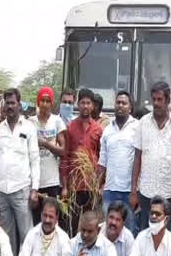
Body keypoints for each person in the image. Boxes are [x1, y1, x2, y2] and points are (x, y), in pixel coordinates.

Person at [0, 88, 39, 255]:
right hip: (2, 191)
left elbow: (34, 160)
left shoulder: (29, 127)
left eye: (13, 103)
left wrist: (34, 190)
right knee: (6, 236)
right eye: (7, 103)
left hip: (22, 190)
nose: (9, 106)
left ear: (19, 105)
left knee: (27, 235)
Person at [130, 82, 171, 233]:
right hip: (146, 193)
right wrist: (134, 191)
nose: (156, 103)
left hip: (169, 194)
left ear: (168, 100)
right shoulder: (143, 124)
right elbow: (137, 158)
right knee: (145, 234)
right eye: (154, 99)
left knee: (168, 237)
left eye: (160, 99)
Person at [61, 88, 103, 234]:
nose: (85, 106)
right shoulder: (70, 127)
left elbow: (102, 159)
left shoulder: (98, 129)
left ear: (93, 106)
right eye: (82, 103)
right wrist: (65, 186)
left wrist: (100, 185)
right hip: (74, 186)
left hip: (91, 186)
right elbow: (66, 157)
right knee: (72, 224)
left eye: (88, 103)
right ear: (78, 105)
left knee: (90, 224)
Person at [99, 91, 139, 235]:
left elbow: (140, 160)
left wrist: (135, 191)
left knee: (129, 232)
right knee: (110, 232)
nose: (120, 106)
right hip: (110, 191)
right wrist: (99, 186)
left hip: (129, 192)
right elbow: (102, 160)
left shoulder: (137, 128)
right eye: (118, 102)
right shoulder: (108, 130)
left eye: (124, 103)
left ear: (130, 107)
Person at [29, 87, 67, 224]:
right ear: (38, 103)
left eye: (47, 101)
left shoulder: (57, 121)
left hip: (52, 181)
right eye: (42, 100)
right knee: (36, 221)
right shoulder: (30, 122)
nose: (45, 104)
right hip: (34, 182)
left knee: (51, 220)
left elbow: (63, 151)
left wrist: (45, 143)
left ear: (52, 103)